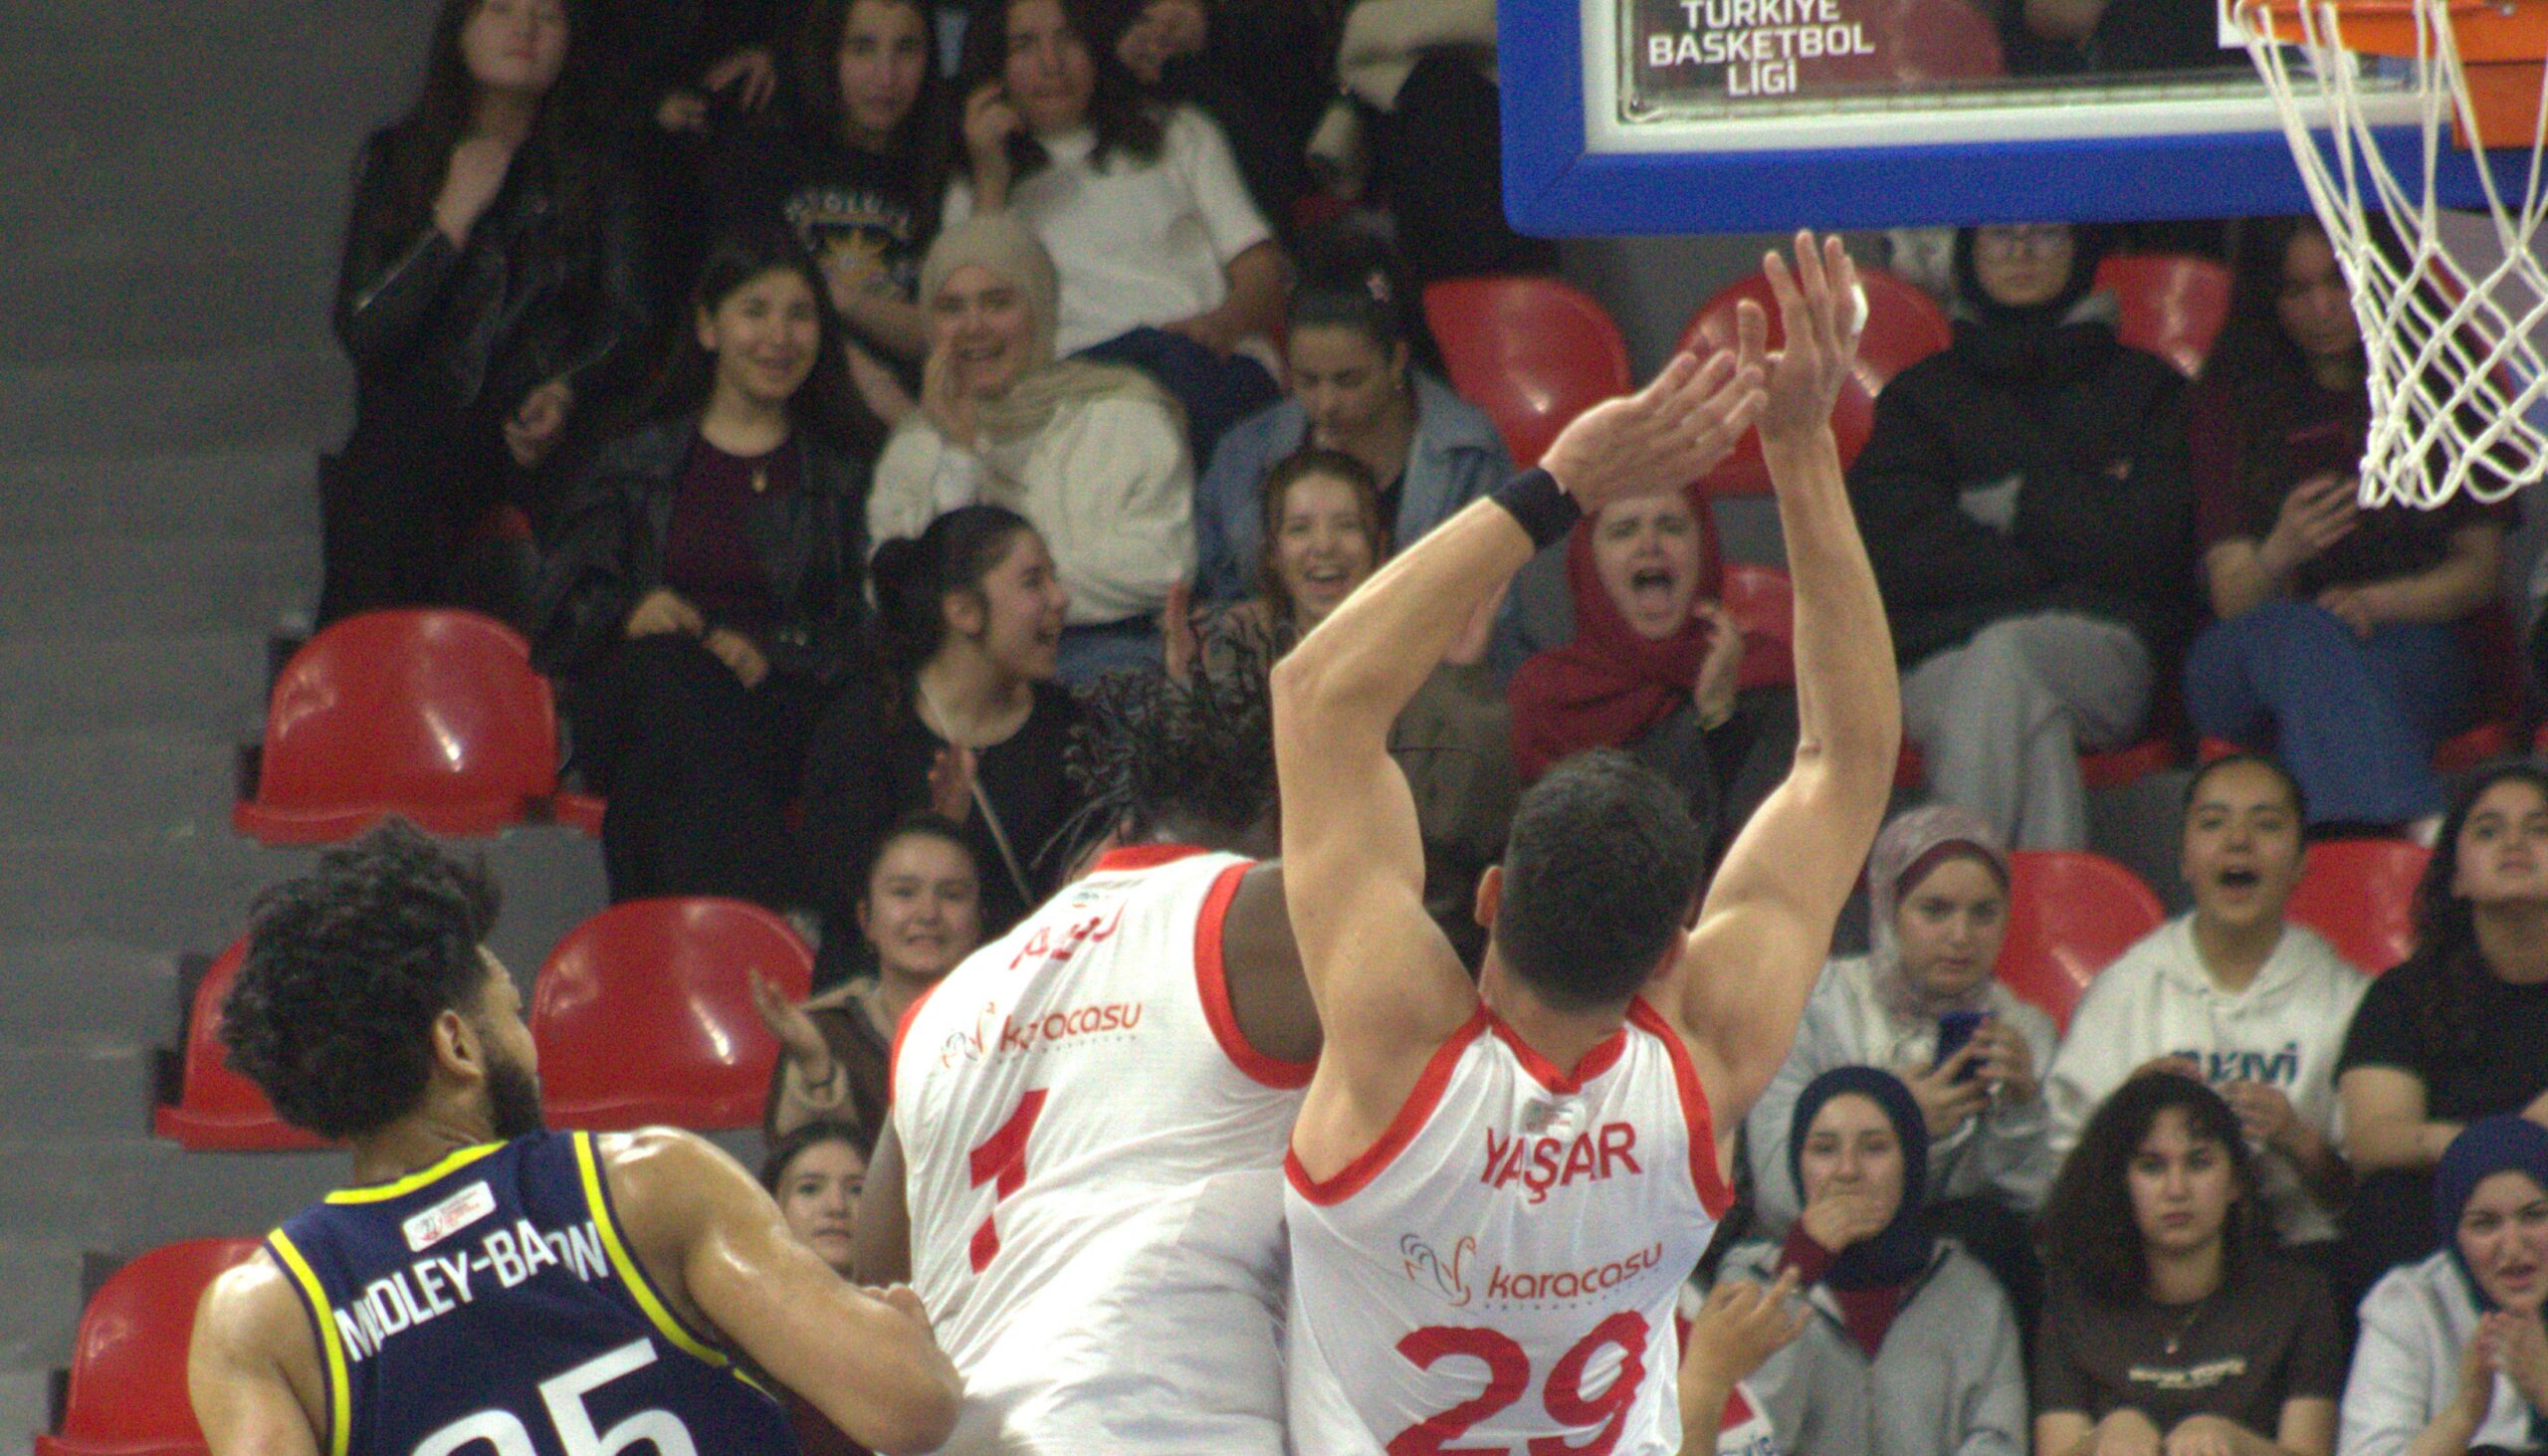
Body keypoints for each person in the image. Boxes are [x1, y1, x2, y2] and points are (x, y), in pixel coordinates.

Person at [1272, 233, 1900, 1452]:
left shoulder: (1398, 1053)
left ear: (1492, 897)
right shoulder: (1701, 1066)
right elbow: (1846, 762)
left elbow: (1317, 700)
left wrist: (1551, 485)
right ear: (1674, 944)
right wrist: (1800, 450)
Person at [184, 822, 959, 1456]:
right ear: (458, 1045)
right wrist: (906, 1341)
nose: (528, 1044)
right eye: (513, 1013)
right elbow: (907, 1409)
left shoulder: (263, 1317)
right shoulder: (650, 1183)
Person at [857, 643, 1324, 1456]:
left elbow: (874, 1295)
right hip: (1150, 1426)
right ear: (1287, 820)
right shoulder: (1266, 915)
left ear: (1122, 823)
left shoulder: (942, 1004)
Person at [531, 228, 873, 910]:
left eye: (800, 314)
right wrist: (629, 612)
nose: (779, 336)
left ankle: (675, 942)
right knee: (674, 680)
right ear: (707, 327)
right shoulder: (633, 459)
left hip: (781, 699)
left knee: (686, 764)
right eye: (755, 311)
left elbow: (866, 630)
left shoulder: (845, 471)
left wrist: (772, 652)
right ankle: (775, 917)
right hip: (648, 689)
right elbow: (557, 616)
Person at [1849, 221, 2195, 849]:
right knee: (2028, 714)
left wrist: (2015, 509)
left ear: (2084, 248)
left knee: (2004, 660)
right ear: (1967, 251)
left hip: (2104, 650)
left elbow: (2154, 548)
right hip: (1937, 658)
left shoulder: (2148, 389)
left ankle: (1938, 918)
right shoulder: (1919, 399)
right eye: (2000, 236)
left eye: (2046, 236)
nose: (2021, 252)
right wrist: (2066, 544)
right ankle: (2046, 932)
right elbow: (1895, 555)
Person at [323, 0, 651, 624]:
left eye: (547, 16)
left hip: (546, 421)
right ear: (461, 29)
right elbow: (364, 329)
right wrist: (450, 219)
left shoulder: (607, 162)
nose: (524, 29)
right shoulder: (401, 157)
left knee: (607, 508)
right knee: (386, 486)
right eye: (502, 9)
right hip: (422, 427)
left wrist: (566, 388)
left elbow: (633, 316)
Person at [2185, 217, 2510, 837]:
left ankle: (2348, 855)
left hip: (2409, 637)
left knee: (2353, 677)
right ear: (2267, 301)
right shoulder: (2228, 397)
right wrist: (2281, 551)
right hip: (2252, 652)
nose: (2324, 308)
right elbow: (2232, 597)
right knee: (2302, 636)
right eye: (2296, 291)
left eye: (2342, 281)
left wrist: (2380, 602)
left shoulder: (2445, 376)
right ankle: (2411, 840)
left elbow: (2480, 568)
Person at [1192, 449, 1517, 964]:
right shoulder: (1236, 673)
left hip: (1409, 952)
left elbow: (1466, 830)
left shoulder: (1429, 665)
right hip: (1266, 950)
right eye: (1300, 528)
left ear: (1379, 546)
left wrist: (1458, 681)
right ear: (1272, 553)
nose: (1324, 547)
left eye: (1346, 526)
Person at [2045, 753, 2367, 1255]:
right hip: (2146, 1260)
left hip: (2300, 1257)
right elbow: (2061, 1188)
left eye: (2266, 824)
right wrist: (2125, 1114)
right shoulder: (2127, 987)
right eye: (2214, 823)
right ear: (2184, 858)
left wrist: (2298, 1140)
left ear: (2302, 860)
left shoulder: (2348, 997)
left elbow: (2370, 1201)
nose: (2238, 841)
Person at [947, 0, 1285, 457]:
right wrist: (991, 178)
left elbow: (1259, 265)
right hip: (1076, 385)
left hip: (1198, 360)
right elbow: (972, 318)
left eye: (1067, 39)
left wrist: (1223, 325)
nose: (1051, 63)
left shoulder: (1178, 133)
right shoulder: (976, 188)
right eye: (1025, 45)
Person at [864, 214, 1193, 680]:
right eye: (951, 308)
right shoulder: (916, 444)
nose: (973, 327)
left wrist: (997, 598)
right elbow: (900, 594)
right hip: (955, 675)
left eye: (997, 303)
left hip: (1102, 660)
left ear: (1039, 308)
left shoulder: (1122, 413)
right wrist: (958, 455)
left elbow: (1162, 564)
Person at [1744, 805, 2056, 1293]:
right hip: (1813, 1267)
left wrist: (2019, 1116)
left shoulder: (2021, 1033)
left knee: (1987, 1237)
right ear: (1889, 909)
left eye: (1983, 913)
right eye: (1935, 910)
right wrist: (1898, 1124)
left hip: (1955, 1268)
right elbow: (1777, 1197)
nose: (1961, 937)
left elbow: (2024, 1209)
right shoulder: (1814, 1006)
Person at [802, 506, 1086, 942]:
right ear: (964, 611)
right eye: (1033, 582)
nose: (1060, 598)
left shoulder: (1071, 727)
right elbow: (848, 910)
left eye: (1054, 578)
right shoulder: (864, 727)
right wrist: (940, 836)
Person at [1718, 1068, 2028, 1456]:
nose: (1847, 1171)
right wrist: (1794, 1278)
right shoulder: (1747, 1286)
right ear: (1798, 1165)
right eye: (1824, 1149)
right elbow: (1742, 1444)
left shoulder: (1971, 1292)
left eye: (1875, 1147)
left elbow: (1999, 1441)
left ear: (1911, 1163)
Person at [2033, 1072, 2344, 1456]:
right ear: (2121, 1182)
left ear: (2236, 1182)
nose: (2176, 1189)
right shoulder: (2075, 1300)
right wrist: (2103, 1438)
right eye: (2152, 1167)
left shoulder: (2298, 1296)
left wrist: (2235, 1442)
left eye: (2199, 1163)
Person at [1194, 242, 1513, 602]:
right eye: (1307, 380)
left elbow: (1500, 613)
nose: (1326, 404)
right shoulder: (1246, 452)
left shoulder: (1468, 455)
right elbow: (1216, 597)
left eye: (1348, 380)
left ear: (1397, 361)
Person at [2336, 761, 2548, 1302]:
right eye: (2488, 830)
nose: (2516, 843)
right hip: (2454, 1208)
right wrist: (2489, 1150)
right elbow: (2372, 1140)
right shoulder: (2404, 995)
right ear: (2454, 874)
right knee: (2386, 1201)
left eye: (2540, 828)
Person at [1507, 485, 1805, 860]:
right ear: (1588, 563)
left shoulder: (1765, 678)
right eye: (1624, 530)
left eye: (1672, 526)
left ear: (1704, 549)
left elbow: (1765, 857)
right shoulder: (1544, 696)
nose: (1650, 544)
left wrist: (1719, 717)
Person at [718, 0, 953, 425]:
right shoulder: (770, 159)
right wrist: (860, 373)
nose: (886, 76)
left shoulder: (942, 169)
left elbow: (946, 331)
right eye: (863, 48)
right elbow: (743, 309)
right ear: (830, 55)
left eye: (906, 49)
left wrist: (842, 299)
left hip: (913, 412)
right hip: (787, 402)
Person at [756, 814, 984, 1140]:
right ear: (866, 919)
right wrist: (817, 1067)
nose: (928, 913)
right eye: (904, 893)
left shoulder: (1016, 1029)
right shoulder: (824, 1027)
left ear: (979, 920)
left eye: (952, 895)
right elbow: (798, 1174)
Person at [2341, 1116, 2548, 1456]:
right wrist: (2463, 1413)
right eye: (2485, 1224)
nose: (2512, 1248)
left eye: (2534, 1216)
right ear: (2453, 1231)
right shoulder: (2409, 1303)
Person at [762, 1119, 879, 1456]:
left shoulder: (913, 1326)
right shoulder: (736, 1340)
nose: (836, 1207)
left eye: (857, 1189)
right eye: (810, 1188)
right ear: (772, 1206)